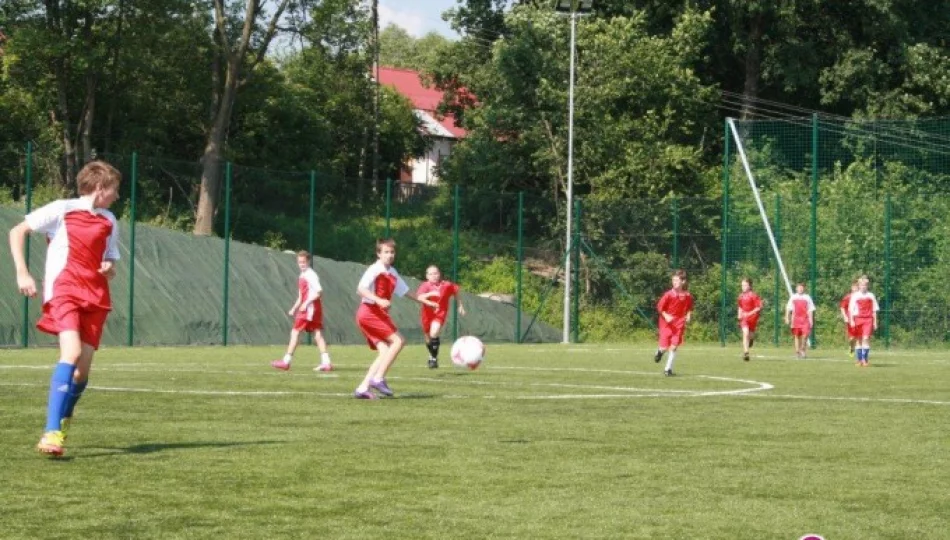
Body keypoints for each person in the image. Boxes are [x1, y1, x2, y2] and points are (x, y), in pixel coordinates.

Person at [8, 161, 121, 457]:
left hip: (96, 296)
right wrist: (22, 272)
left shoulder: (109, 220)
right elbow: (17, 231)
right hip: (65, 290)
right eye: (114, 189)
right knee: (69, 354)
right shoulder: (62, 208)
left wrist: (109, 268)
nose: (117, 196)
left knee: (81, 373)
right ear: (99, 188)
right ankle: (51, 432)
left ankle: (63, 418)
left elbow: (110, 261)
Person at [352, 239, 437, 399]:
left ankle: (363, 388)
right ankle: (378, 379)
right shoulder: (375, 269)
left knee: (384, 351)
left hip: (376, 314)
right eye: (386, 252)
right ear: (378, 254)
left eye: (392, 252)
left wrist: (424, 300)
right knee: (399, 341)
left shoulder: (392, 272)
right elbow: (360, 289)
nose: (390, 255)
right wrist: (378, 300)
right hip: (369, 312)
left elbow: (405, 291)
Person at [271, 250, 333, 372]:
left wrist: (306, 303)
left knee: (295, 332)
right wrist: (294, 308)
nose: (302, 264)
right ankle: (326, 363)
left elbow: (319, 292)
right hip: (312, 308)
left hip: (310, 309)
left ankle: (286, 361)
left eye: (304, 262)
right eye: (300, 262)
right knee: (318, 335)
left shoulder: (310, 275)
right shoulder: (302, 275)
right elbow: (301, 296)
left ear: (309, 261)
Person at [416, 265, 465, 369]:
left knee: (434, 332)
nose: (434, 276)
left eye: (436, 273)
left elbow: (456, 291)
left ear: (439, 274)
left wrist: (460, 305)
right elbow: (419, 297)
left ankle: (433, 358)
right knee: (428, 338)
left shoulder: (446, 285)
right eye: (431, 274)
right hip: (426, 315)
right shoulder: (425, 286)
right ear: (427, 276)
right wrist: (430, 298)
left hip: (440, 313)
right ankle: (432, 355)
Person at [653, 269, 694, 377]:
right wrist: (666, 316)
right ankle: (659, 352)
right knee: (664, 347)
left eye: (676, 280)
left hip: (679, 322)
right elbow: (659, 307)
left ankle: (668, 369)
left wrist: (689, 315)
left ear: (683, 281)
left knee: (674, 346)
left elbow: (690, 307)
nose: (674, 282)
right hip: (666, 323)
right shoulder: (668, 295)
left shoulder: (687, 295)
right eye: (673, 280)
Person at [848, 275, 879, 367]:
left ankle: (865, 360)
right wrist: (852, 321)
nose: (863, 287)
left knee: (865, 339)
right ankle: (859, 360)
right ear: (859, 286)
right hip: (858, 319)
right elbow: (850, 309)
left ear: (867, 286)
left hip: (868, 319)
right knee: (858, 340)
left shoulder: (871, 295)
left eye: (865, 285)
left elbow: (874, 310)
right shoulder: (855, 296)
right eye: (861, 285)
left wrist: (875, 322)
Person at [785, 283, 816, 359]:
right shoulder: (793, 297)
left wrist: (811, 320)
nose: (800, 289)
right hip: (796, 320)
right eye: (799, 288)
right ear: (796, 289)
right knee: (797, 336)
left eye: (802, 288)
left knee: (805, 336)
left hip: (805, 320)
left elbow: (810, 309)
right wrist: (787, 317)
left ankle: (803, 350)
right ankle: (797, 352)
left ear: (804, 289)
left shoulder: (807, 297)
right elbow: (788, 308)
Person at [737, 277, 762, 362]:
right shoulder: (740, 296)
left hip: (753, 318)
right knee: (745, 333)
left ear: (750, 286)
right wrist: (739, 316)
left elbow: (758, 308)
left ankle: (751, 340)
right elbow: (740, 306)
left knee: (750, 335)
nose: (743, 287)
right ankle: (746, 353)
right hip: (744, 318)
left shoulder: (754, 295)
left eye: (745, 285)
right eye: (742, 285)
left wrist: (749, 313)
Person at [839, 281, 860, 358]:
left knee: (859, 336)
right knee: (852, 337)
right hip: (850, 318)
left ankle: (859, 353)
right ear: (851, 288)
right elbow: (842, 307)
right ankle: (851, 348)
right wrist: (845, 316)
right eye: (854, 287)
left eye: (856, 287)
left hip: (859, 318)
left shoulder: (860, 296)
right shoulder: (848, 297)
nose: (855, 289)